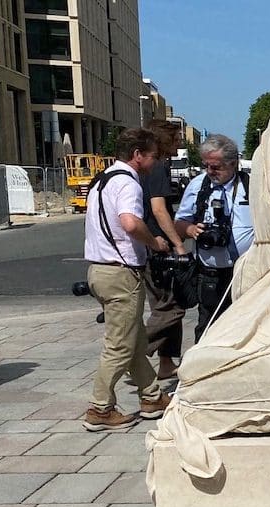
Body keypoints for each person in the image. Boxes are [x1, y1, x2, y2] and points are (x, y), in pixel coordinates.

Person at [82, 128, 172, 431]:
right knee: (120, 345)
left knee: (133, 340)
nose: (155, 163)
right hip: (120, 273)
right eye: (152, 157)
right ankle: (100, 408)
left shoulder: (101, 180)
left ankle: (151, 396)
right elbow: (130, 223)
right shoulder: (128, 184)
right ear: (137, 155)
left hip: (99, 270)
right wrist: (155, 242)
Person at [175, 134, 255, 343]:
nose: (210, 172)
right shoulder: (197, 186)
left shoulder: (252, 186)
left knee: (245, 327)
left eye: (216, 167)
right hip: (209, 273)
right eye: (206, 166)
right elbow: (179, 224)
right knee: (208, 326)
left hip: (245, 272)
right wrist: (191, 229)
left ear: (233, 163)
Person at [141, 120, 186, 380]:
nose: (179, 143)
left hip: (150, 246)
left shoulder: (149, 168)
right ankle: (132, 352)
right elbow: (159, 209)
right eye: (176, 138)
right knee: (172, 307)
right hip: (159, 246)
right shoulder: (157, 167)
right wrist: (178, 243)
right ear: (163, 140)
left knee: (164, 306)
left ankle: (167, 362)